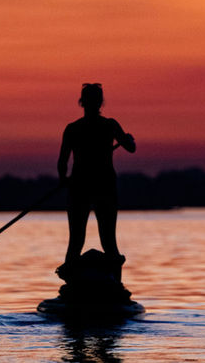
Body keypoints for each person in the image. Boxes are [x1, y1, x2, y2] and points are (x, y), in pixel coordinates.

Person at [57, 83, 136, 272]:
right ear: (100, 102)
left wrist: (63, 179)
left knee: (76, 241)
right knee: (108, 241)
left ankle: (72, 283)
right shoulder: (110, 126)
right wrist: (128, 139)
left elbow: (62, 162)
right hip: (102, 187)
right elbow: (131, 148)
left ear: (82, 102)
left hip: (81, 187)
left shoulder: (73, 129)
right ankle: (115, 284)